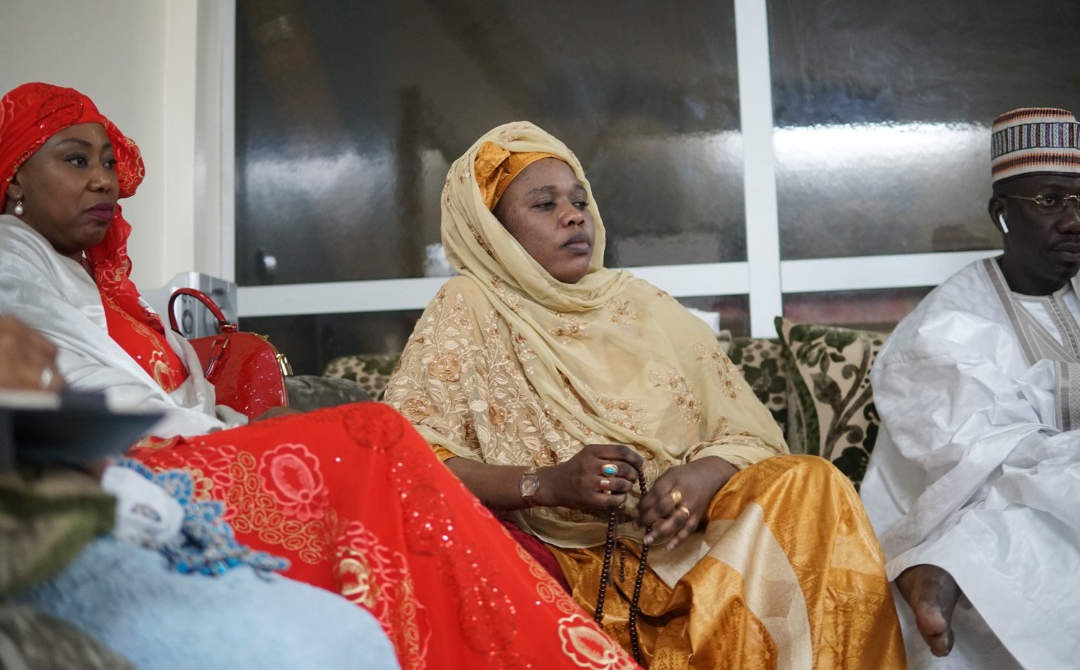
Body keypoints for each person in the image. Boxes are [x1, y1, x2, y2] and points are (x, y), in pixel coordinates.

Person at [0, 82, 637, 669]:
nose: (106, 182)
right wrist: (239, 436)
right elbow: (88, 399)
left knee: (359, 436)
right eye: (76, 160)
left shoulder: (103, 289)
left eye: (109, 162)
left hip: (183, 448)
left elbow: (179, 395)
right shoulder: (12, 263)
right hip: (136, 469)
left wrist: (253, 427)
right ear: (13, 179)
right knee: (373, 434)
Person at [384, 120, 907, 668]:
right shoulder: (470, 303)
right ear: (492, 232)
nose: (573, 215)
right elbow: (409, 458)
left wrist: (707, 474)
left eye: (579, 199)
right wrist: (550, 483)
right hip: (566, 569)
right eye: (544, 205)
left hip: (697, 549)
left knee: (812, 482)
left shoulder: (639, 302)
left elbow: (746, 429)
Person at [0, 314, 400, 670]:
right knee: (367, 439)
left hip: (119, 471)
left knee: (372, 432)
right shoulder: (19, 271)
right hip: (139, 463)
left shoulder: (124, 303)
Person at [860, 107, 1080, 669]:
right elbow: (986, 457)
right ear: (1000, 213)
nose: (1073, 219)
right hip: (980, 500)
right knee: (1020, 512)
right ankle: (937, 570)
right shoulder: (949, 320)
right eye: (1050, 201)